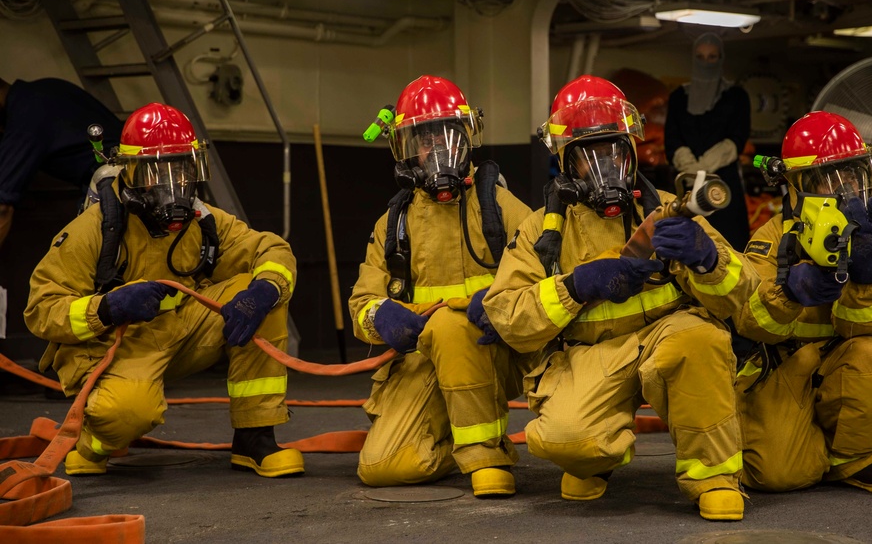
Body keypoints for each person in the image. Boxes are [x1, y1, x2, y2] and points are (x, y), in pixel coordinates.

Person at [482, 75, 759, 520]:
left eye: (614, 150)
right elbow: (507, 316)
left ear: (630, 151)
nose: (606, 166)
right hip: (590, 356)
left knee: (699, 341)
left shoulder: (668, 210)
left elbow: (745, 293)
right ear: (566, 165)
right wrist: (575, 287)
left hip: (668, 337)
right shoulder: (540, 230)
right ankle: (595, 459)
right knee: (570, 441)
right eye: (589, 157)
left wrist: (706, 258)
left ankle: (713, 477)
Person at [24, 102, 303, 478]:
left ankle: (254, 437)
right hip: (120, 346)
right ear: (129, 174)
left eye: (182, 169)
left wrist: (265, 291)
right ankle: (94, 439)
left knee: (262, 290)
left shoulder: (203, 222)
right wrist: (106, 308)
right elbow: (41, 308)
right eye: (156, 172)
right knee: (126, 414)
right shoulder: (93, 229)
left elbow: (272, 249)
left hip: (182, 332)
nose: (173, 187)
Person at [349, 75, 534, 497]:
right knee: (384, 468)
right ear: (406, 149)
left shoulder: (501, 208)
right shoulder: (393, 224)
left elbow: (544, 279)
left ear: (467, 139)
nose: (436, 151)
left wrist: (502, 305)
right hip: (422, 360)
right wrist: (381, 316)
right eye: (423, 140)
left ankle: (487, 454)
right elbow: (363, 300)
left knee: (452, 327)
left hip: (494, 352)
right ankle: (453, 437)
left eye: (446, 136)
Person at [733, 111, 872, 494]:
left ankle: (852, 458)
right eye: (828, 178)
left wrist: (868, 277)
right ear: (796, 187)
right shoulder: (770, 240)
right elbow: (749, 325)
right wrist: (789, 293)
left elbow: (871, 327)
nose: (847, 187)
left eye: (853, 173)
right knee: (779, 476)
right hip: (785, 371)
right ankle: (805, 446)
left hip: (843, 361)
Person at [0, 76, 124, 249]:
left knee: (82, 258)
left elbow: (2, 207)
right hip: (118, 181)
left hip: (112, 185)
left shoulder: (27, 114)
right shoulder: (44, 89)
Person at [663, 33, 751, 250]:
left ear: (720, 59)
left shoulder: (737, 96)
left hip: (723, 187)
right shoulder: (678, 97)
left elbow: (736, 140)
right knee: (683, 245)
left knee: (728, 246)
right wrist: (691, 173)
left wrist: (701, 172)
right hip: (685, 186)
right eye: (700, 57)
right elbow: (672, 139)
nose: (706, 62)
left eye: (712, 57)